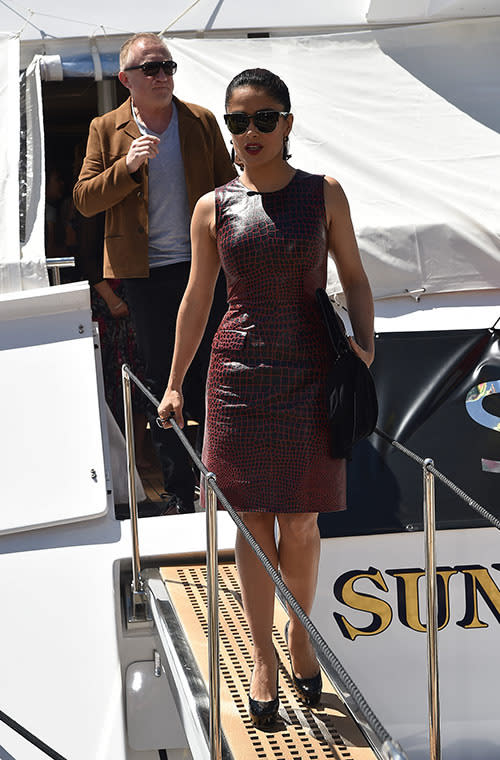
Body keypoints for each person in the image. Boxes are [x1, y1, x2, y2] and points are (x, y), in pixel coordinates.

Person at [157, 68, 374, 725]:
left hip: (312, 375)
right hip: (237, 379)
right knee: (252, 530)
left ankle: (301, 634)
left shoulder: (323, 194)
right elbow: (197, 300)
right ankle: (260, 657)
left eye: (262, 118)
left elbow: (356, 280)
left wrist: (364, 348)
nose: (249, 132)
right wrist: (173, 382)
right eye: (236, 121)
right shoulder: (213, 206)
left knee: (302, 522)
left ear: (287, 122)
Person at [73, 32, 236, 514]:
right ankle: (179, 491)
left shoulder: (200, 120)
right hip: (143, 275)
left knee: (212, 370)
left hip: (202, 267)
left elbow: (229, 189)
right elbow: (84, 201)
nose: (162, 75)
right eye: (151, 68)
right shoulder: (107, 128)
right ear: (126, 79)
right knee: (164, 379)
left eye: (168, 67)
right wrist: (126, 167)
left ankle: (220, 482)